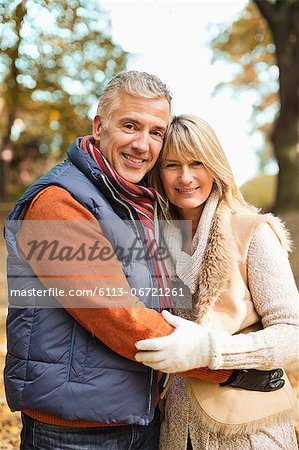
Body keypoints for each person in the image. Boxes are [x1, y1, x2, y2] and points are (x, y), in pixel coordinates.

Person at [4, 72, 237, 450]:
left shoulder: (137, 201)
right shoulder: (59, 202)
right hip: (75, 432)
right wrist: (227, 366)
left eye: (156, 132)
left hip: (140, 416)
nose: (143, 145)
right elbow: (118, 315)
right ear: (100, 126)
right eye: (130, 126)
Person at [135, 115, 299, 449]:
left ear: (215, 165)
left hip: (249, 432)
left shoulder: (252, 232)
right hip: (177, 431)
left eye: (197, 163)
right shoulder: (153, 239)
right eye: (171, 165)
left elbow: (293, 334)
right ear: (158, 171)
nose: (185, 177)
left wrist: (210, 350)